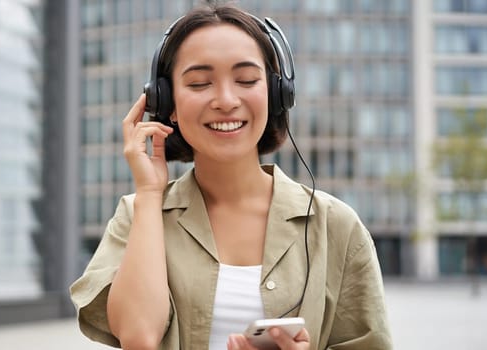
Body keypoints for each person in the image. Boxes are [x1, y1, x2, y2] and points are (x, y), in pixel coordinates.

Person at [70, 3, 391, 349]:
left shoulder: (336, 227)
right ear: (167, 103)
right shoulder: (137, 216)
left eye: (246, 80)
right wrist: (149, 194)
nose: (225, 100)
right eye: (199, 83)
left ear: (277, 93)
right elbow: (139, 338)